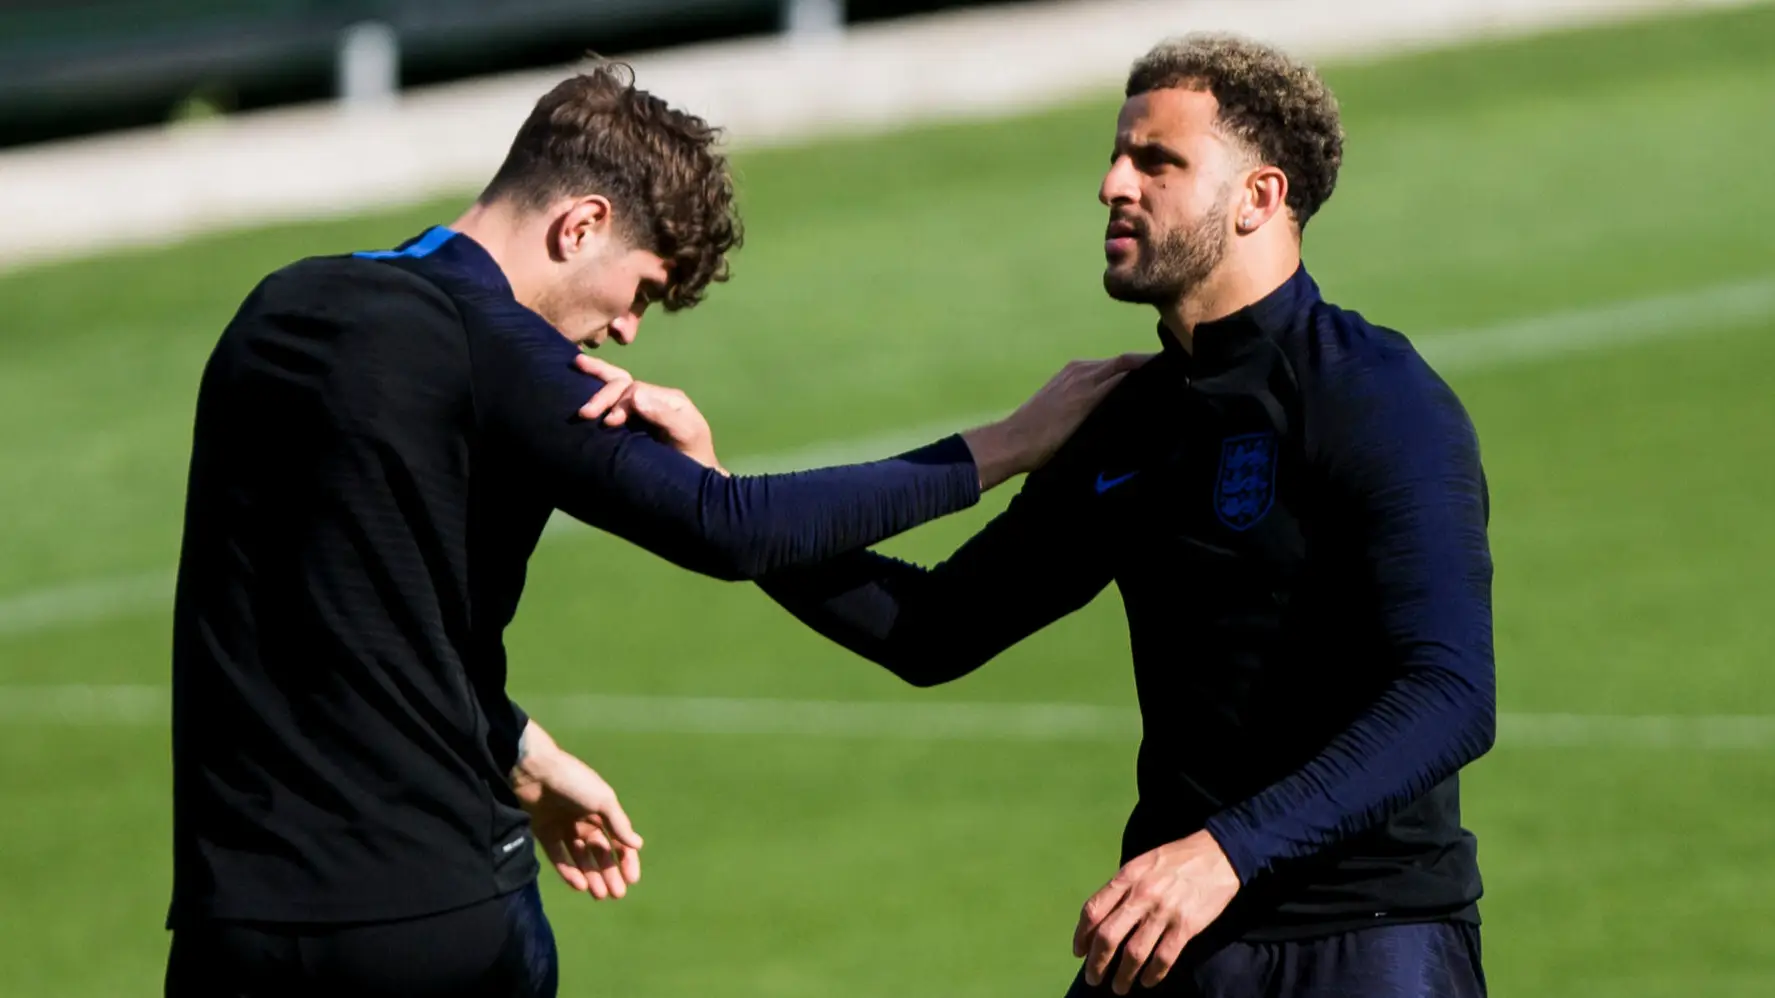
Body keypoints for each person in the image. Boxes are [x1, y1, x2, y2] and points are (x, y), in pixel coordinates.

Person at [164, 63, 1134, 998]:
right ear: (580, 223)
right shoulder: (500, 349)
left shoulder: (274, 309)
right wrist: (1006, 442)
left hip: (232, 921)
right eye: (640, 289)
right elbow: (728, 527)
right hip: (429, 915)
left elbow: (330, 608)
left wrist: (520, 748)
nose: (627, 330)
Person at [602, 34, 1495, 998]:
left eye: (1157, 161)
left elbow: (1448, 695)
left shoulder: (1371, 394)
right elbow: (934, 629)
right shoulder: (1128, 419)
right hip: (1175, 935)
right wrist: (725, 502)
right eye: (1116, 155)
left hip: (1365, 939)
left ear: (1259, 199)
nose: (1113, 183)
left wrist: (1221, 854)